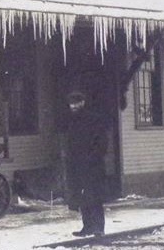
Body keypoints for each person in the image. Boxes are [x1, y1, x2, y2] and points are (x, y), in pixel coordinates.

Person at [64, 89, 108, 237]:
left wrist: (92, 158)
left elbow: (101, 143)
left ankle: (99, 227)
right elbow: (70, 143)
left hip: (92, 165)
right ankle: (87, 226)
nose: (73, 107)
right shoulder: (72, 121)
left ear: (82, 103)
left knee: (94, 196)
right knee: (82, 197)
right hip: (77, 165)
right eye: (71, 104)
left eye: (76, 103)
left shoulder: (94, 119)